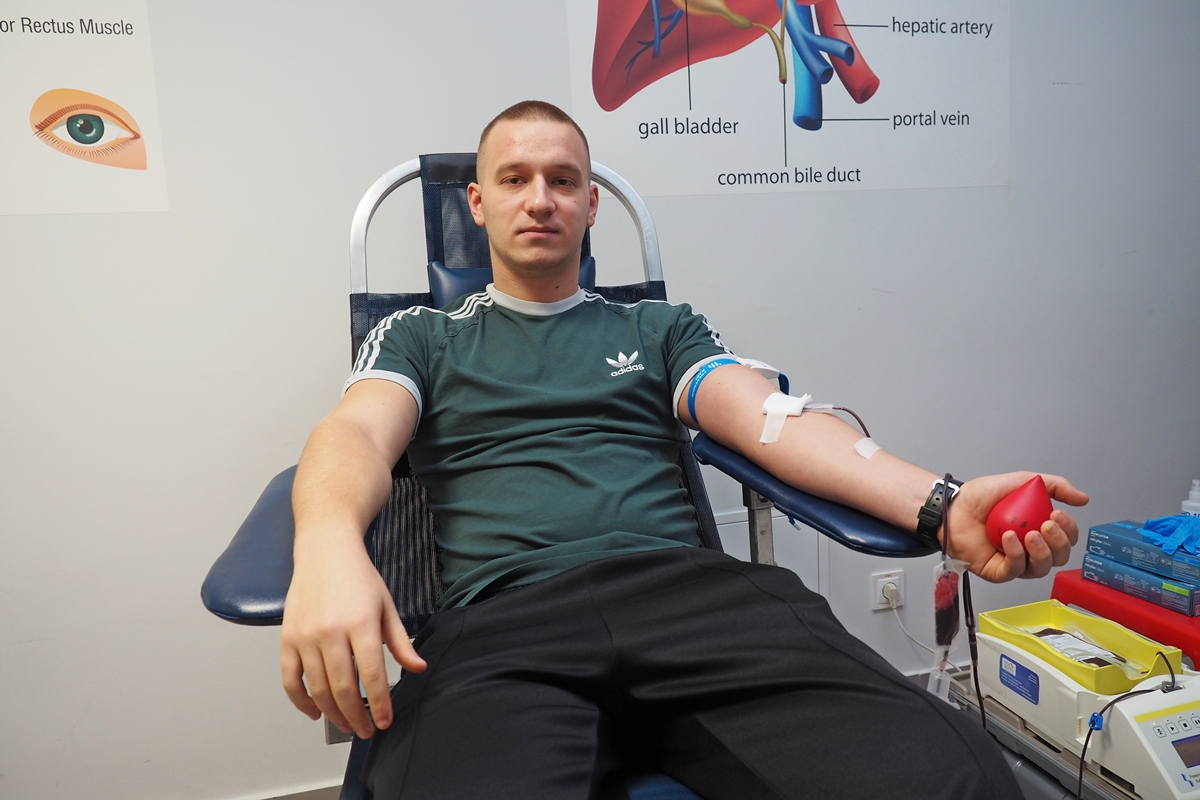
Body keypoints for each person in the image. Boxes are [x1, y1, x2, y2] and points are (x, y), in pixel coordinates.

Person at [281, 100, 1087, 799]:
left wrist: (945, 504)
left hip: (696, 604)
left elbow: (772, 419)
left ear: (591, 204)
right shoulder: (421, 336)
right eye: (515, 179)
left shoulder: (659, 328)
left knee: (958, 779)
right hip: (502, 627)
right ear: (478, 203)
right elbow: (355, 433)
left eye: (563, 180)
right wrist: (325, 545)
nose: (540, 199)